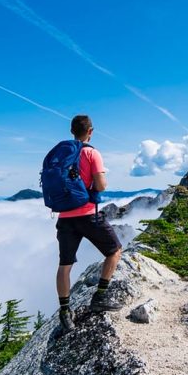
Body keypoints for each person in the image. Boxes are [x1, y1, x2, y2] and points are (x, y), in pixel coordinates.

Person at [56, 115, 123, 331]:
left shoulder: (61, 154)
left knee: (64, 266)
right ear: (91, 131)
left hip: (64, 217)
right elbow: (101, 186)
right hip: (87, 214)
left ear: (72, 131)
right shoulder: (92, 153)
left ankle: (65, 313)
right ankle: (99, 297)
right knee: (115, 251)